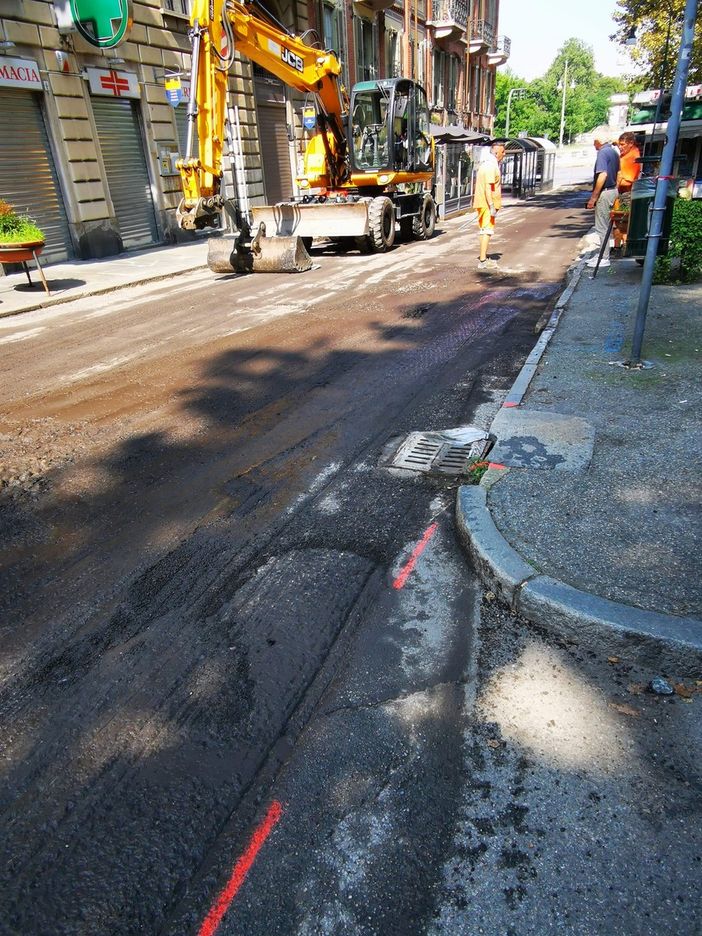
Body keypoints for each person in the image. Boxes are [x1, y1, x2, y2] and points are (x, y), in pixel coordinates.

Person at [586, 135, 620, 268]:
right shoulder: (613, 152)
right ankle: (602, 254)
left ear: (599, 140)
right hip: (613, 190)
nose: (594, 144)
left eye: (594, 141)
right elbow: (618, 173)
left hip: (605, 192)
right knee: (606, 224)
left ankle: (604, 258)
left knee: (601, 226)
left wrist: (594, 197)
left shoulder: (602, 153)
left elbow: (603, 174)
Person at [473, 142, 505, 272]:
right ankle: (482, 261)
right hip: (487, 204)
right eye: (503, 152)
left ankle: (483, 257)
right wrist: (492, 205)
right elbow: (488, 187)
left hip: (482, 202)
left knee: (483, 230)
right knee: (487, 230)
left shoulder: (485, 164)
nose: (504, 154)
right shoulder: (491, 167)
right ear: (497, 153)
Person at [613, 131, 642, 249]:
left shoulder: (632, 157)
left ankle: (623, 246)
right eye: (619, 144)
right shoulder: (626, 154)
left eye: (622, 144)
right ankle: (618, 245)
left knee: (622, 222)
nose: (620, 147)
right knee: (618, 222)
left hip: (626, 193)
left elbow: (627, 180)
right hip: (622, 192)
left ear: (631, 143)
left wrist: (614, 184)